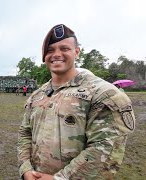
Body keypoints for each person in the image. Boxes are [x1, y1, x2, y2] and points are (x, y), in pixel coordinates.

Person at [17, 24, 135, 180]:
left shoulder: (103, 94)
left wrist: (59, 178)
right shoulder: (37, 96)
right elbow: (25, 133)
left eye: (64, 49)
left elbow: (106, 149)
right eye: (50, 50)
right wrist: (25, 169)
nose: (56, 54)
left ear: (76, 52)